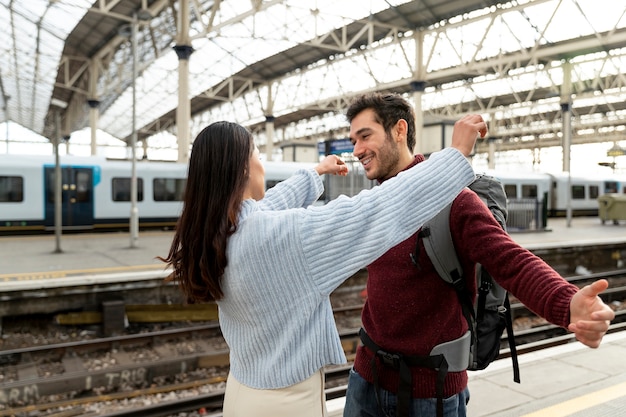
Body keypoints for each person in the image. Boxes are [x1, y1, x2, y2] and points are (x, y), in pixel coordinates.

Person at [159, 118, 484, 417]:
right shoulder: (283, 238)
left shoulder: (213, 234)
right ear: (242, 169)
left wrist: (317, 172)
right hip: (287, 405)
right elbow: (376, 209)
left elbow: (267, 207)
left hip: (242, 394)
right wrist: (454, 156)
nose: (262, 163)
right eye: (257, 154)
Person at [342, 92, 616, 417]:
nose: (356, 150)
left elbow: (509, 261)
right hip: (365, 382)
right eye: (353, 140)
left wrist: (567, 303)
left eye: (365, 136)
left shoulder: (454, 200)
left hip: (431, 396)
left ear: (399, 130)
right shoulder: (374, 203)